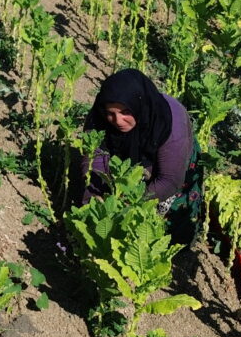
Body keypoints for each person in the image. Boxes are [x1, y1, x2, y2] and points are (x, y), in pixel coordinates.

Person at [81, 68, 203, 244]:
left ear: (138, 107)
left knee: (169, 226)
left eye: (125, 112)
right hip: (129, 154)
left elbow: (169, 181)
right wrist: (93, 199)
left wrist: (128, 203)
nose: (118, 121)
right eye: (110, 113)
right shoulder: (98, 118)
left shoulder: (171, 128)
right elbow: (94, 160)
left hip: (171, 161)